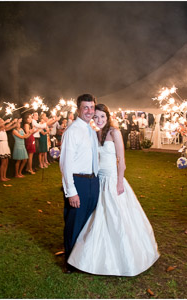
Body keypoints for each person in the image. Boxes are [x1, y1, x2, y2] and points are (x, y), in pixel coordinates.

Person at [68, 104, 159, 276]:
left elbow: (121, 161)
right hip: (97, 180)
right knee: (96, 216)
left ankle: (124, 256)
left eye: (102, 117)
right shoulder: (94, 133)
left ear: (108, 117)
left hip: (112, 180)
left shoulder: (114, 133)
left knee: (116, 215)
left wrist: (119, 182)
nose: (99, 120)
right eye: (96, 117)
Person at [59, 94, 100, 274]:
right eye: (86, 107)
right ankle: (70, 262)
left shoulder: (90, 130)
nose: (89, 111)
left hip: (93, 181)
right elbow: (65, 164)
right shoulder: (72, 131)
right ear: (78, 109)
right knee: (74, 223)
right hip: (78, 182)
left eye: (92, 107)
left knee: (88, 222)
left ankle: (83, 258)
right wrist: (71, 192)